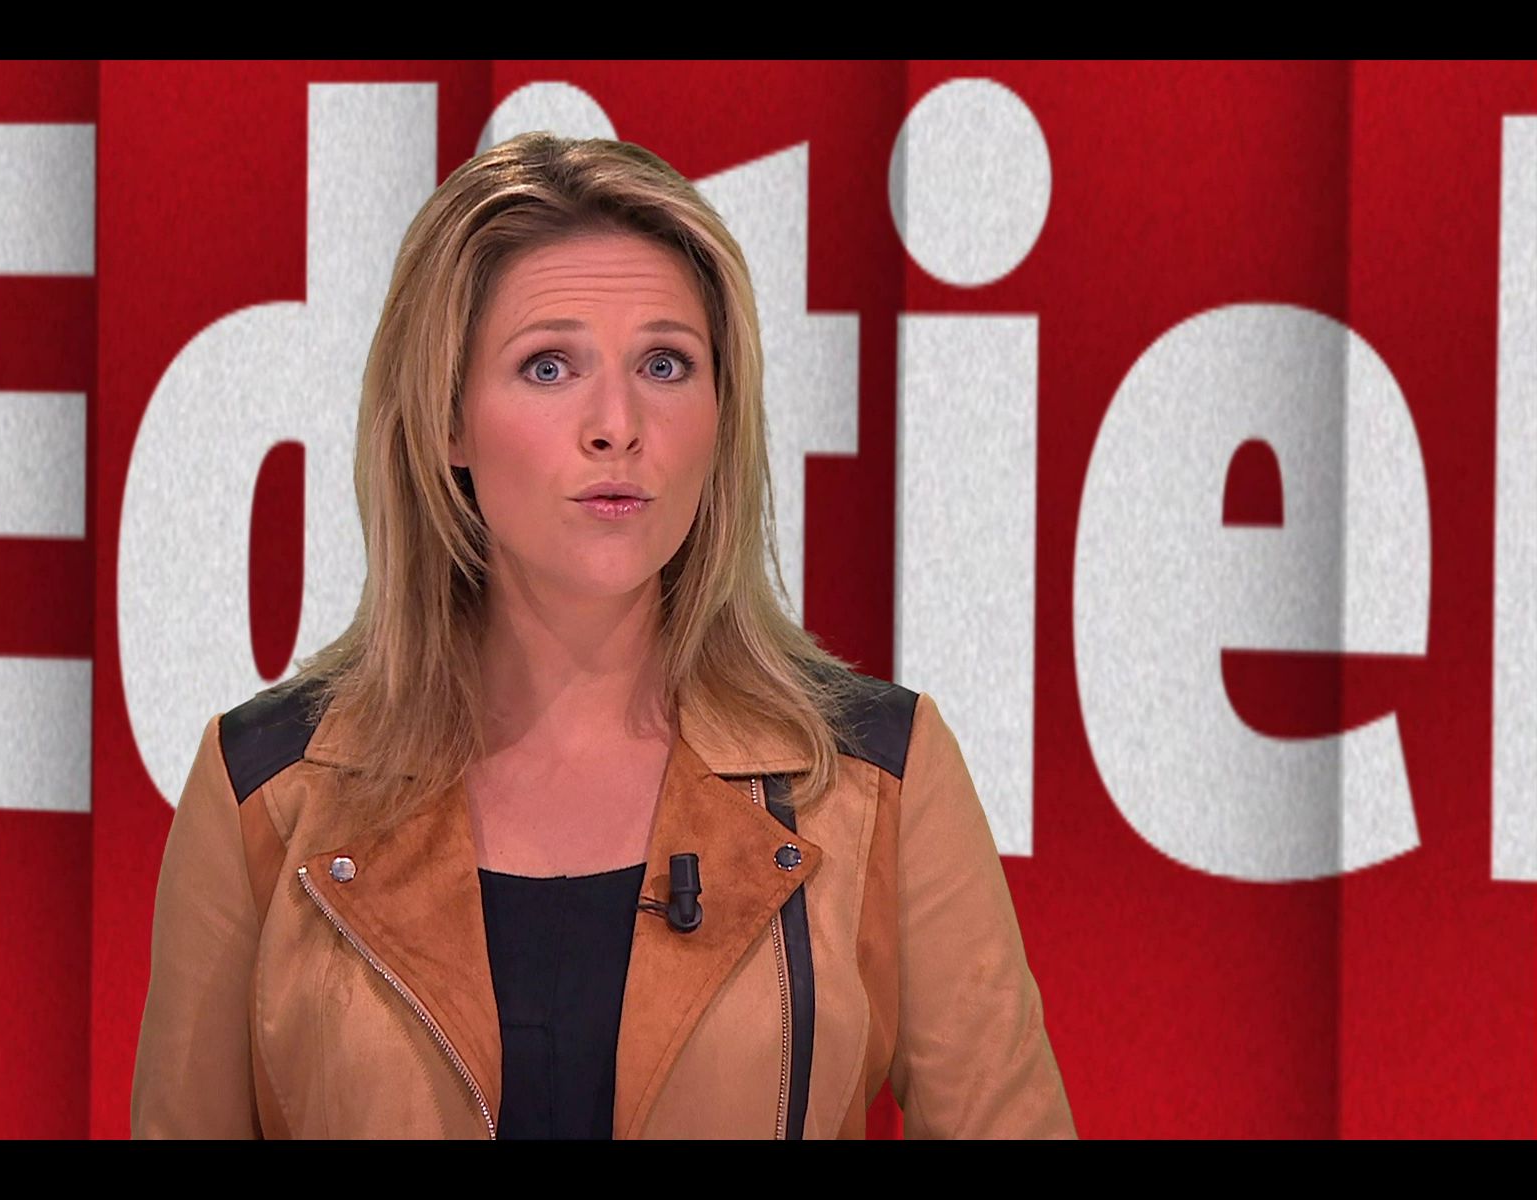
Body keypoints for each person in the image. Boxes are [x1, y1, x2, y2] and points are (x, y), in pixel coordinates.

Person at [129, 131, 1076, 1140]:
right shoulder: (266, 794)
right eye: (549, 367)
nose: (617, 423)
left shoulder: (876, 780)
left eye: (665, 364)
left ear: (721, 414)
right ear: (447, 421)